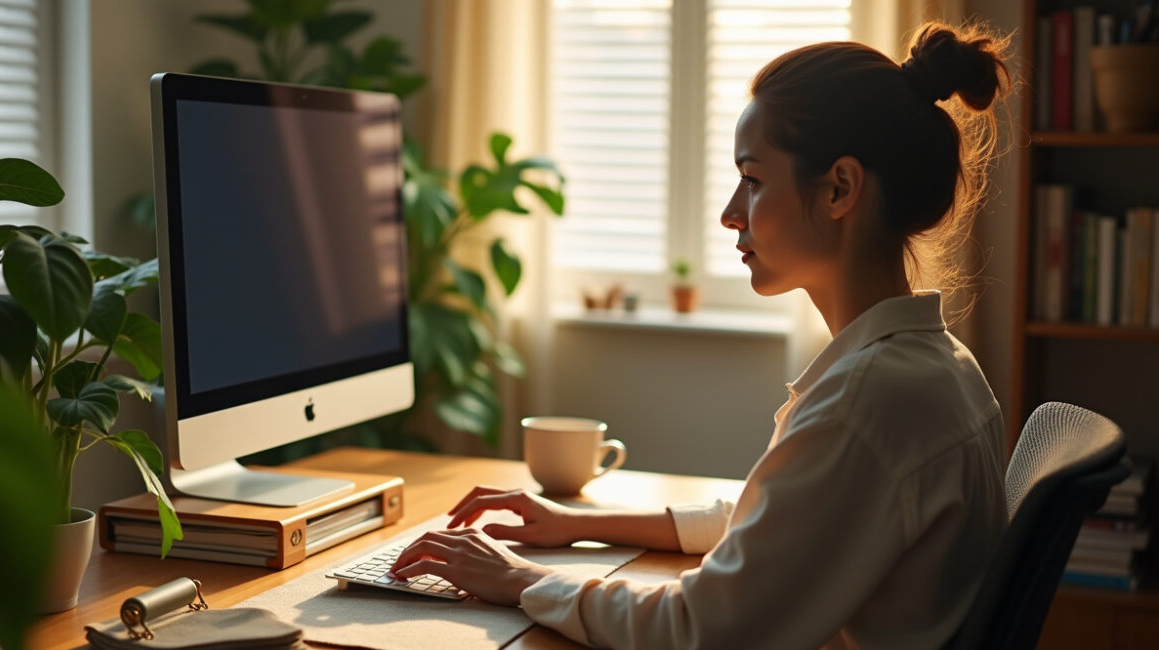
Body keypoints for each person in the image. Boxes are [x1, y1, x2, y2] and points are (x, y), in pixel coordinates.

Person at [391, 21, 1013, 649]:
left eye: (754, 179)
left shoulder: (866, 404)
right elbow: (777, 526)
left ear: (839, 189)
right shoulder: (938, 365)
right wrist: (577, 523)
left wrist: (521, 579)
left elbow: (700, 631)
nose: (729, 213)